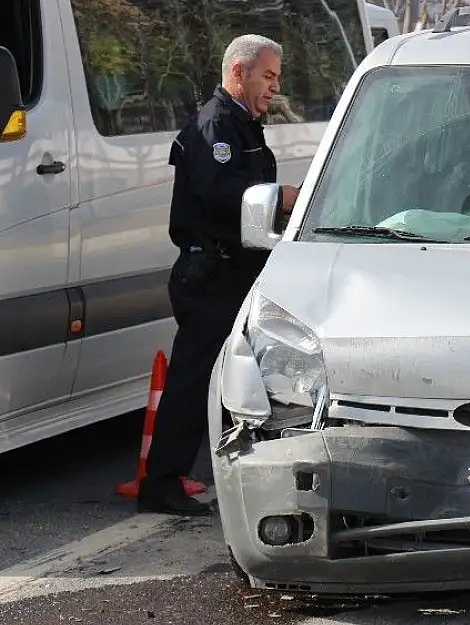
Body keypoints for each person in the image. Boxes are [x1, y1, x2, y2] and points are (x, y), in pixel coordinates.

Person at [137, 34, 300, 516]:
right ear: (238, 73)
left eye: (277, 77)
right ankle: (161, 482)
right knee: (193, 380)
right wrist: (283, 197)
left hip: (236, 270)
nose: (275, 87)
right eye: (267, 76)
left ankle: (219, 472)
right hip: (211, 273)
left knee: (238, 377)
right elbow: (223, 193)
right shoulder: (217, 126)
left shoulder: (243, 123)